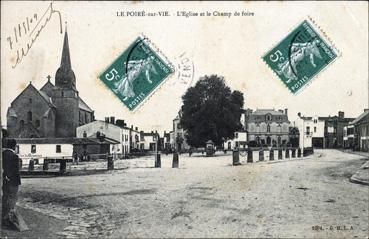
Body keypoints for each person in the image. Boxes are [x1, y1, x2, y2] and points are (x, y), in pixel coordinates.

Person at [2, 138, 27, 231]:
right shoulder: (14, 156)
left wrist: (6, 176)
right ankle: (9, 220)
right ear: (14, 146)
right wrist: (10, 176)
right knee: (12, 200)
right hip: (13, 182)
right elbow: (15, 170)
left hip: (5, 181)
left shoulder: (3, 154)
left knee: (5, 199)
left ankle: (4, 219)